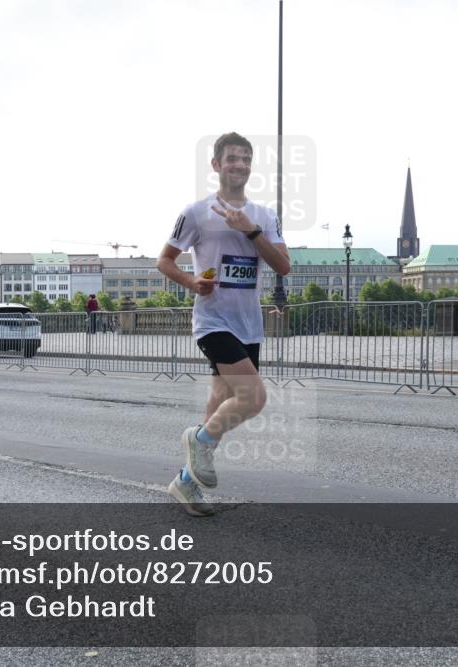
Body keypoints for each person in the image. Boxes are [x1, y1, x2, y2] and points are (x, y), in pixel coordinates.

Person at [157, 132, 290, 516]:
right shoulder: (196, 212)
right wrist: (191, 282)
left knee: (218, 404)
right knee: (253, 398)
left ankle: (184, 483)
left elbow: (283, 266)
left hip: (248, 323)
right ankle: (198, 440)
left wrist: (250, 229)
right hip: (212, 320)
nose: (240, 165)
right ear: (216, 165)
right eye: (232, 158)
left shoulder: (264, 216)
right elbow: (164, 260)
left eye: (246, 159)